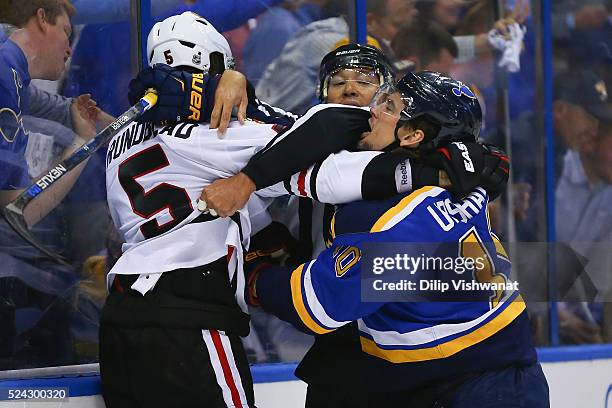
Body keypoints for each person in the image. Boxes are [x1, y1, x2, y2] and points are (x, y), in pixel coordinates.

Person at [228, 72, 548, 407]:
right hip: (481, 373)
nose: (373, 110)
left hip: (477, 386)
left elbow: (317, 305)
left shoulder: (397, 223)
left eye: (388, 105)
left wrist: (256, 276)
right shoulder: (460, 181)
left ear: (413, 135)